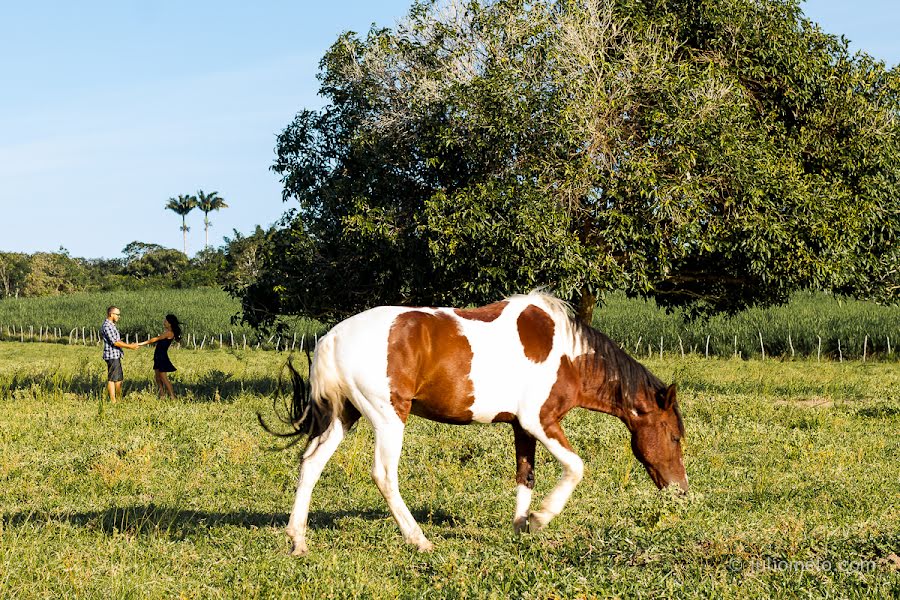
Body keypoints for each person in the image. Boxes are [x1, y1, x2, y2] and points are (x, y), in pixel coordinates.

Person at [100, 306, 139, 403]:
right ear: (111, 314)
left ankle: (117, 399)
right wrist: (130, 346)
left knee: (116, 378)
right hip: (112, 355)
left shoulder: (111, 325)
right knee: (114, 379)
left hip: (115, 355)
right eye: (117, 314)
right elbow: (115, 342)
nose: (119, 316)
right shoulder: (107, 326)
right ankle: (115, 400)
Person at [139, 314, 182, 399]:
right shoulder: (167, 332)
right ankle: (162, 394)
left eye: (165, 321)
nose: (164, 322)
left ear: (170, 323)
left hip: (162, 356)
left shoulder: (169, 333)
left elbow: (155, 339)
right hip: (158, 355)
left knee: (163, 377)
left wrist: (141, 343)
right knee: (157, 377)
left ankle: (172, 396)